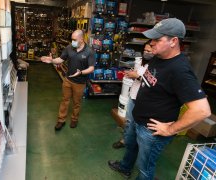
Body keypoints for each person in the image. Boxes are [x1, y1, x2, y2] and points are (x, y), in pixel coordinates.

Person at [108, 18, 211, 179]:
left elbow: (202, 110)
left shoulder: (180, 70)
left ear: (174, 41)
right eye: (152, 39)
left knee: (145, 168)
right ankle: (125, 167)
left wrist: (171, 129)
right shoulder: (158, 57)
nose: (152, 43)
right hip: (138, 118)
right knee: (130, 146)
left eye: (157, 39)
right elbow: (153, 81)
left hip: (151, 130)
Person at [41, 30, 96, 131]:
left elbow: (91, 68)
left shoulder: (89, 51)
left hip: (80, 82)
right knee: (65, 100)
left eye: (75, 40)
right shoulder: (69, 48)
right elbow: (61, 59)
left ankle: (74, 119)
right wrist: (52, 60)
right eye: (72, 39)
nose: (73, 42)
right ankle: (61, 120)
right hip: (68, 79)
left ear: (82, 39)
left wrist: (81, 72)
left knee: (76, 102)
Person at [112, 42, 153, 149]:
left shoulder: (155, 65)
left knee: (140, 125)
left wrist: (137, 76)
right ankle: (125, 140)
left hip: (143, 100)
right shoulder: (142, 62)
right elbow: (137, 74)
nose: (146, 53)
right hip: (133, 96)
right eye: (145, 50)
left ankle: (136, 144)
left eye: (149, 51)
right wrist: (131, 74)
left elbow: (151, 82)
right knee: (129, 121)